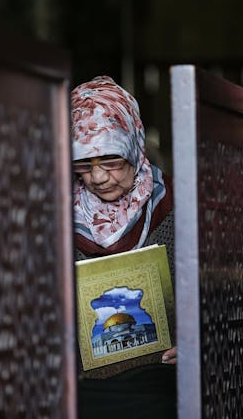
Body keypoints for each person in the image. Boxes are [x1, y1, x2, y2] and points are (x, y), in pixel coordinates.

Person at [71, 76, 176, 419]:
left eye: (111, 161)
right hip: (83, 392)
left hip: (164, 387)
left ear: (134, 144)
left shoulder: (178, 206)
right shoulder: (54, 216)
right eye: (84, 164)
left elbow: (223, 294)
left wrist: (199, 341)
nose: (98, 177)